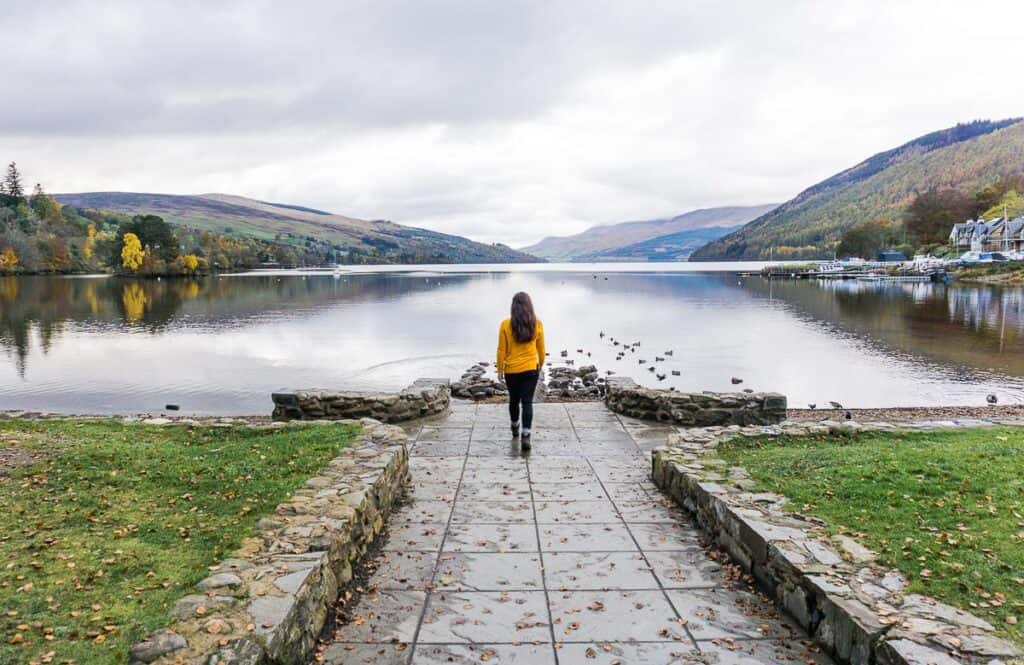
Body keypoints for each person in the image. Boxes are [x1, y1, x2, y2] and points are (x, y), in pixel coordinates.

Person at [496, 292, 545, 450]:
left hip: (512, 371)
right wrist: (540, 365)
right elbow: (542, 350)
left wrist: (500, 370)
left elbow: (501, 350)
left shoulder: (505, 325)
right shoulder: (537, 324)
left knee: (514, 400)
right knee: (527, 402)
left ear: (513, 307)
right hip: (531, 369)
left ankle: (515, 426)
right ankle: (526, 436)